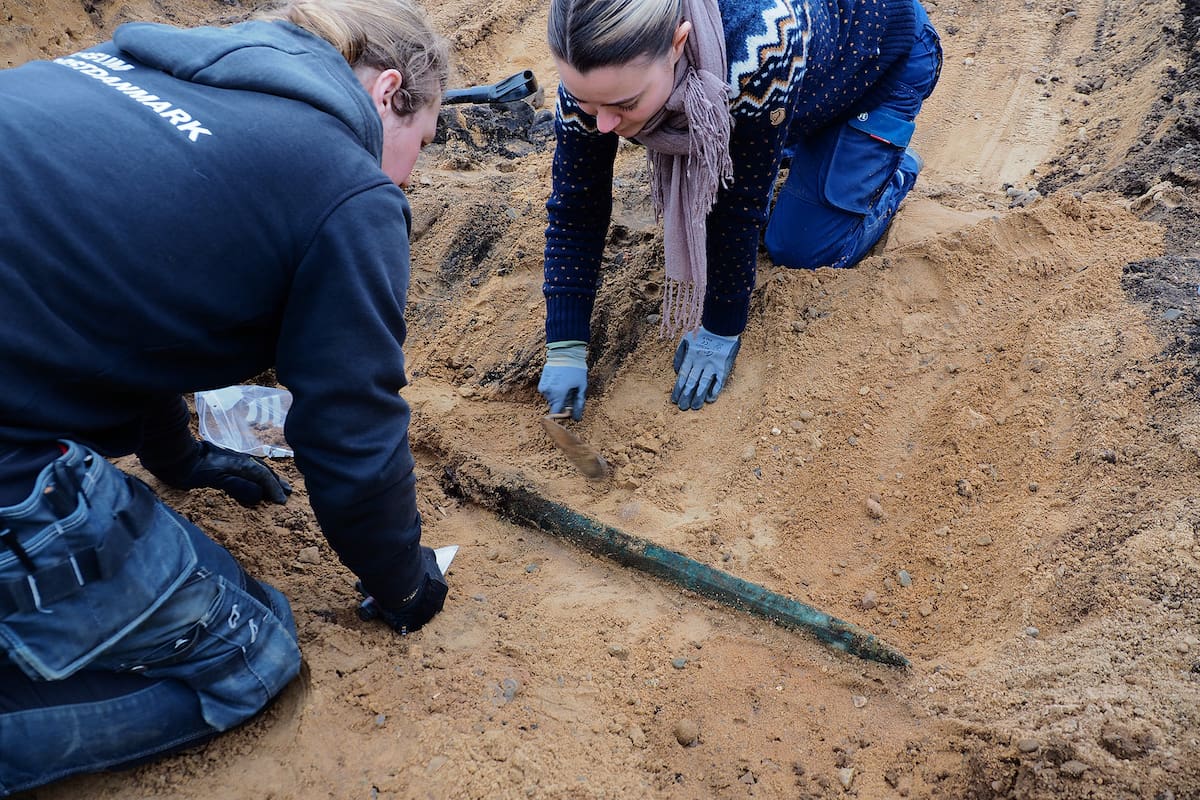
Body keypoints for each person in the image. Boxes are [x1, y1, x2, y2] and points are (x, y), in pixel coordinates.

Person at [0, 0, 450, 792]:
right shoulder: (346, 186)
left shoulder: (139, 61)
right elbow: (351, 428)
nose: (413, 172)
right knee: (248, 652)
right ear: (389, 95)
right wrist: (404, 582)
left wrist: (177, 453)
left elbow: (109, 293)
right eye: (425, 141)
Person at [538, 0, 942, 415]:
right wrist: (565, 344)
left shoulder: (760, 43)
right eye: (588, 103)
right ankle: (788, 140)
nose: (604, 122)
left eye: (625, 104)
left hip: (877, 61)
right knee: (758, 131)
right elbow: (576, 205)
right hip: (795, 80)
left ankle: (891, 174)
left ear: (678, 44)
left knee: (799, 248)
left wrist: (720, 327)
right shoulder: (593, 62)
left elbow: (738, 208)